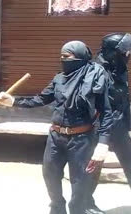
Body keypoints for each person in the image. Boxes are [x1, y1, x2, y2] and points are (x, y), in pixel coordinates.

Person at [0, 41, 113, 214]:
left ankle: (77, 210)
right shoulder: (59, 78)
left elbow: (106, 112)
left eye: (67, 56)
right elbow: (41, 99)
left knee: (80, 182)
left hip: (82, 139)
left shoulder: (94, 77)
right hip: (56, 137)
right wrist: (13, 101)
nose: (62, 59)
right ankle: (57, 208)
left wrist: (103, 143)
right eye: (61, 56)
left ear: (80, 57)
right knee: (50, 175)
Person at [85, 33, 131, 214]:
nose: (128, 55)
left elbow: (123, 98)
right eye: (125, 52)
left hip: (118, 124)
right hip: (99, 127)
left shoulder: (119, 68)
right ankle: (86, 204)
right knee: (93, 166)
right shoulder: (95, 71)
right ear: (114, 52)